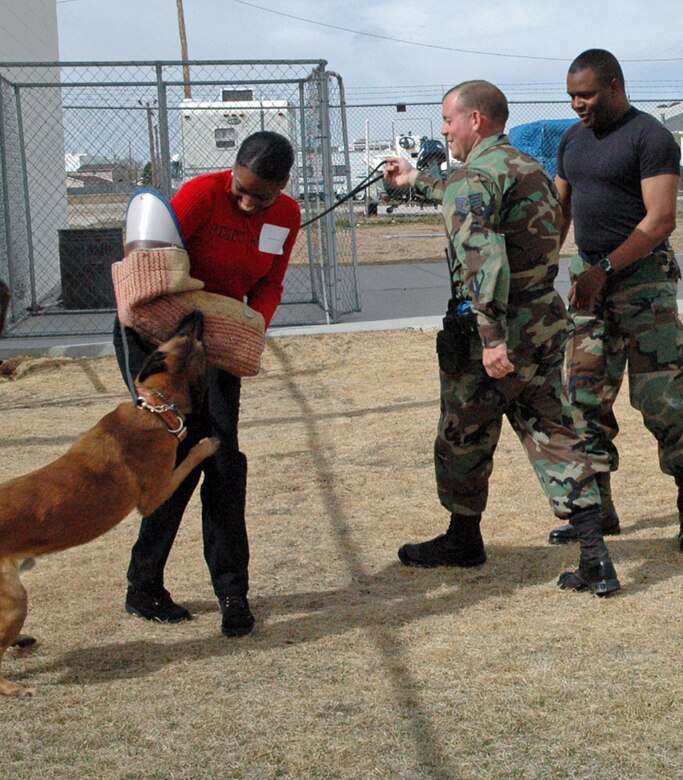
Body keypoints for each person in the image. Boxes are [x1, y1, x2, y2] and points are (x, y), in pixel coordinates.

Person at [384, 80, 620, 595]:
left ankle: (463, 537)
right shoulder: (525, 167)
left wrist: (490, 337)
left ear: (476, 121)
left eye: (448, 120)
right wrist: (414, 180)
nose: (443, 130)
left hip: (493, 332)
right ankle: (595, 555)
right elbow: (468, 197)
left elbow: (483, 260)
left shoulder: (476, 177)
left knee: (462, 436)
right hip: (541, 320)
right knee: (553, 431)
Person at [113, 131, 301, 636]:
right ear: (232, 170)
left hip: (217, 340)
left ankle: (233, 593)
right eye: (240, 187)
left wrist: (251, 325)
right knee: (177, 455)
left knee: (220, 458)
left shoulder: (287, 215)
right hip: (158, 338)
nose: (245, 201)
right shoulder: (199, 194)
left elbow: (269, 282)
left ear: (282, 186)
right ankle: (144, 585)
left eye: (260, 195)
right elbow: (151, 271)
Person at [548, 49, 683, 547]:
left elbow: (661, 219)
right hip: (590, 285)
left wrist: (605, 270)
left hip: (642, 283)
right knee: (582, 397)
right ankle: (596, 512)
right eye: (571, 97)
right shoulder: (570, 141)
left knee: (664, 400)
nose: (577, 105)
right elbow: (561, 212)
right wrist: (550, 269)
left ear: (614, 86)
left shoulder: (651, 137)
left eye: (585, 95)